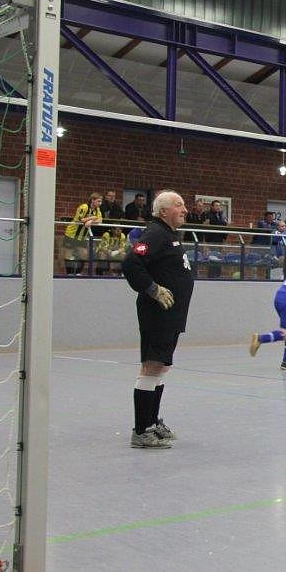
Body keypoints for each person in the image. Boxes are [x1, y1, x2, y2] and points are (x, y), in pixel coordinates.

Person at [121, 191, 194, 449]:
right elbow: (131, 263)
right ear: (163, 211)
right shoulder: (155, 233)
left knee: (161, 367)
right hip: (157, 313)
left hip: (171, 314)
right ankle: (141, 430)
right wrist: (153, 289)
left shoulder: (169, 235)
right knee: (152, 366)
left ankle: (152, 423)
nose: (185, 210)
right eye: (179, 205)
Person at [63, 192, 102, 274]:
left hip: (82, 236)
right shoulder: (84, 207)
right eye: (98, 201)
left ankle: (78, 273)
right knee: (68, 255)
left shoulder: (97, 210)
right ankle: (69, 274)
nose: (100, 203)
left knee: (84, 254)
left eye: (101, 201)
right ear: (92, 200)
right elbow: (81, 219)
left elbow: (100, 220)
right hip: (71, 234)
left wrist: (91, 221)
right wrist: (92, 218)